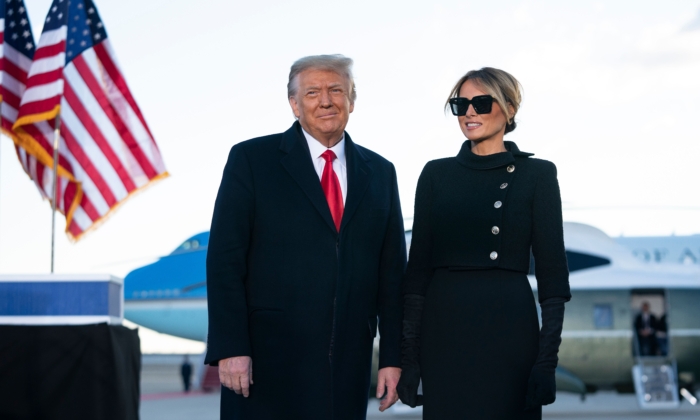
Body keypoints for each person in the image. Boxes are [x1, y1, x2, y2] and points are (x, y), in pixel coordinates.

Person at [205, 54, 406, 419]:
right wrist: (231, 347)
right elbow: (224, 261)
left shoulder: (380, 172)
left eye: (336, 90)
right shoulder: (251, 160)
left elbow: (392, 276)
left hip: (346, 365)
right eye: (312, 92)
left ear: (352, 101)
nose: (326, 101)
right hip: (265, 364)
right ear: (294, 104)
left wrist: (392, 357)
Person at [396, 68, 571, 419]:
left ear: (509, 108)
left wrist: (546, 362)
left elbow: (553, 279)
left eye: (481, 102)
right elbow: (417, 274)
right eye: (461, 104)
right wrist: (409, 358)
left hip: (509, 327)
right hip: (444, 329)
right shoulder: (435, 174)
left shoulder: (537, 175)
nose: (470, 112)